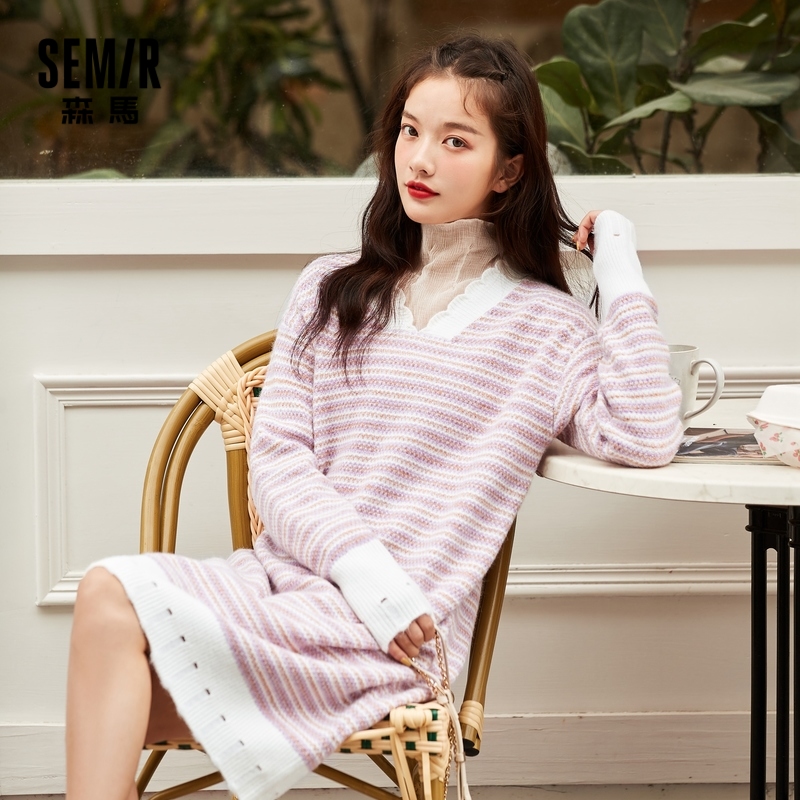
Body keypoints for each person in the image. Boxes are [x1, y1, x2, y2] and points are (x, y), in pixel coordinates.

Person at [65, 34, 683, 800]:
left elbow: (644, 433)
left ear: (509, 170)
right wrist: (364, 571)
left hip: (398, 639)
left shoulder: (545, 327)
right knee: (107, 594)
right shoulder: (331, 288)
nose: (420, 159)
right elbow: (277, 464)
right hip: (289, 589)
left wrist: (619, 263)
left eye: (455, 141)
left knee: (113, 686)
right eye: (410, 131)